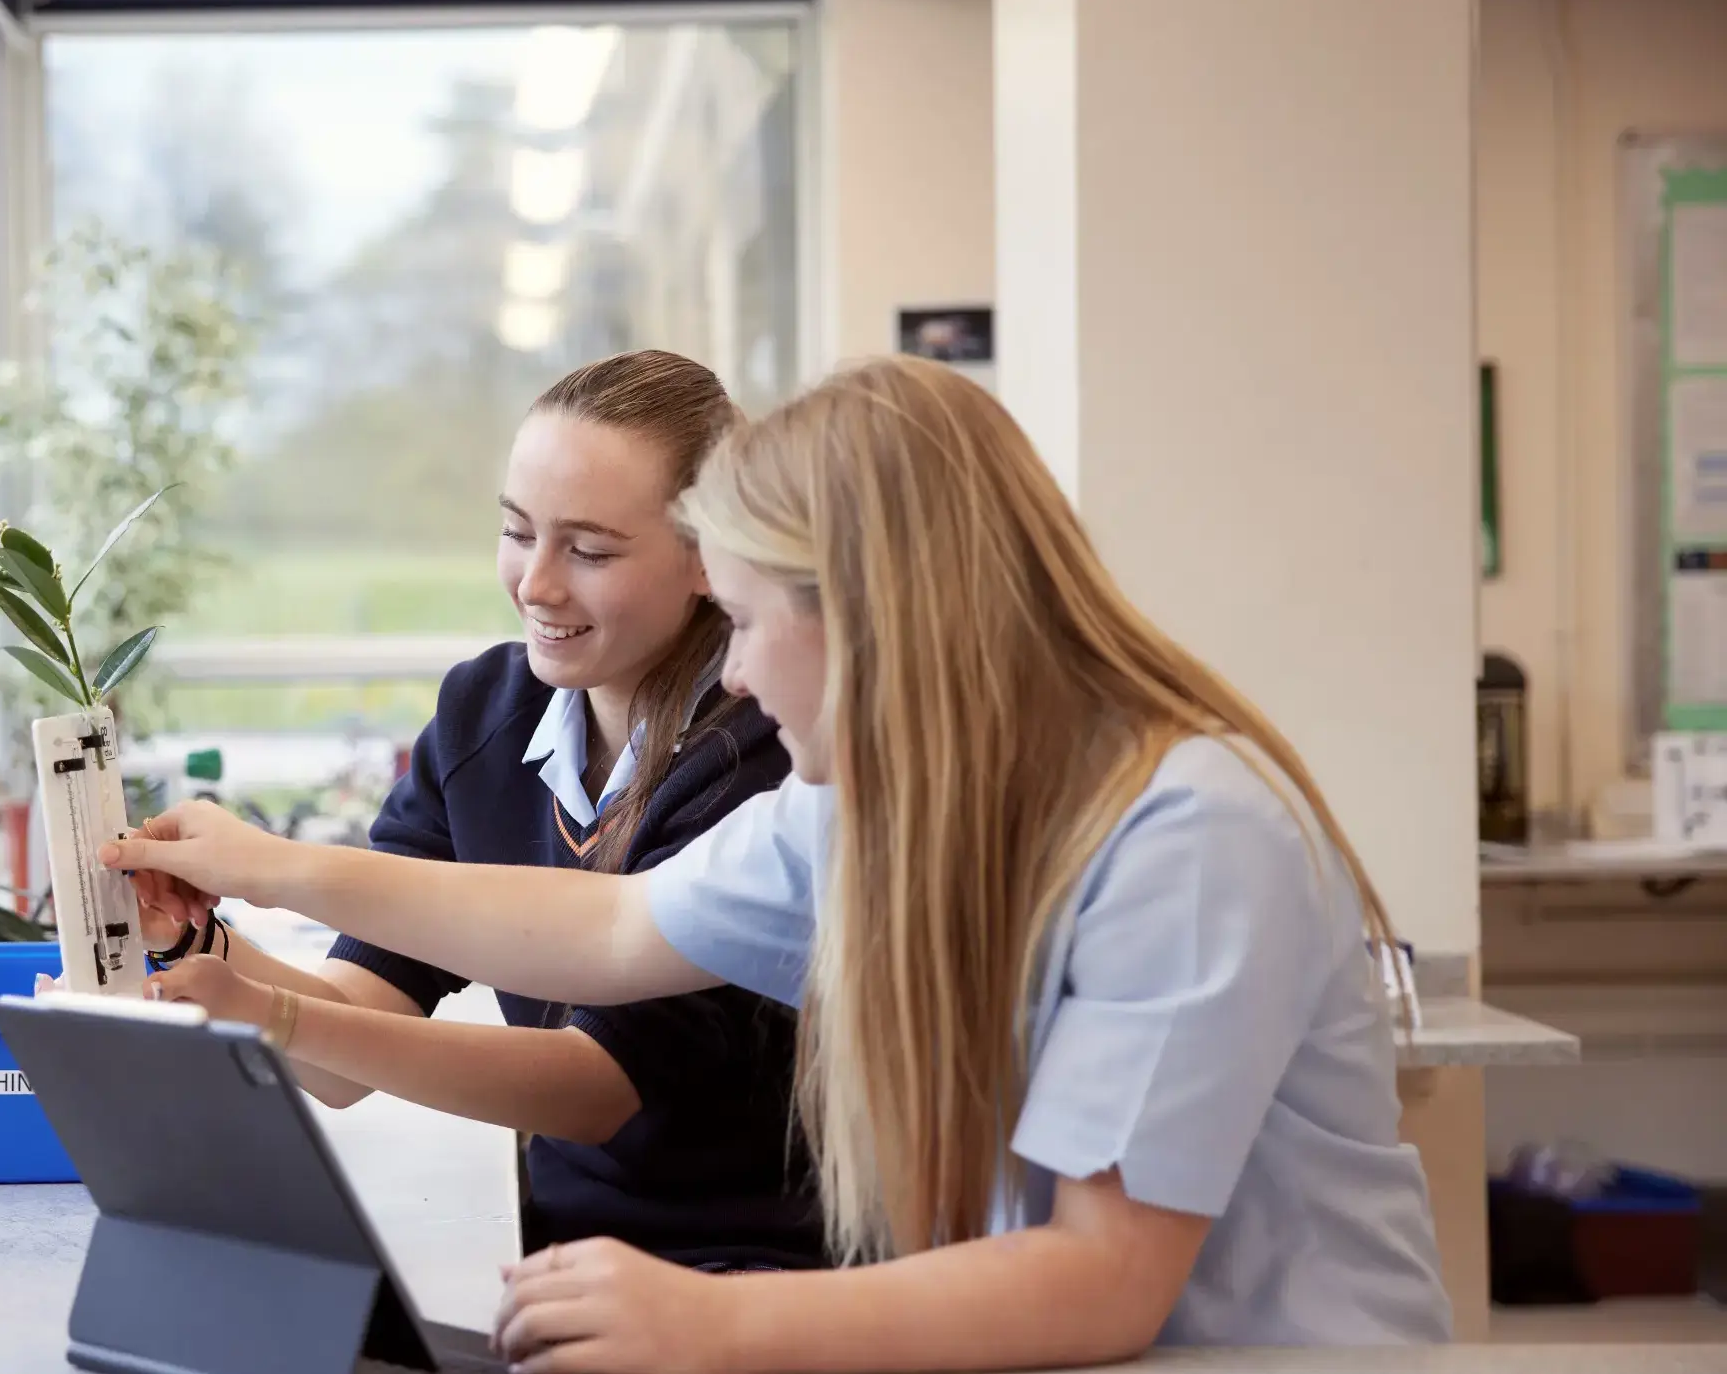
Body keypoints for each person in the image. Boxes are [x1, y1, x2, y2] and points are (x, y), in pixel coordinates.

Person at [107, 355, 1452, 1370]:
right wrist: (276, 883)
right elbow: (608, 931)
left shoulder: (1190, 835)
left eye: (747, 620)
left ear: (872, 616)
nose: (737, 669)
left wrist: (714, 1316)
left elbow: (1106, 1278)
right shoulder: (875, 802)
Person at [124, 350, 823, 1273]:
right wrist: (194, 949)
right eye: (516, 532)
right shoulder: (485, 715)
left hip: (747, 1272)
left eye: (590, 549)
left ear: (707, 557)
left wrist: (272, 917)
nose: (537, 584)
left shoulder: (766, 754)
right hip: (560, 1256)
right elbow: (343, 1055)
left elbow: (595, 1088)